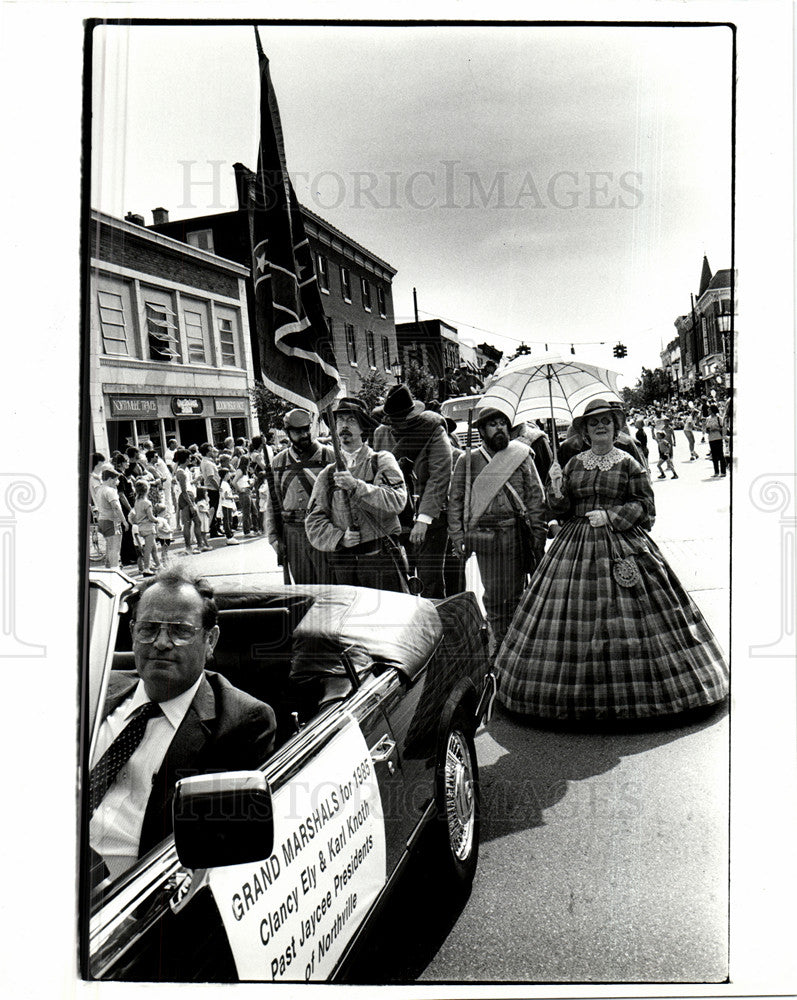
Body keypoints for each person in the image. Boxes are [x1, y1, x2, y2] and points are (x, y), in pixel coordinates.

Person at [494, 399, 729, 722]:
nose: (601, 426)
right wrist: (558, 490)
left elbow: (646, 507)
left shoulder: (628, 463)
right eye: (594, 423)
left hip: (622, 543)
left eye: (606, 421)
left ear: (616, 427)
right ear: (585, 431)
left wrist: (611, 516)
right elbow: (560, 510)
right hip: (574, 547)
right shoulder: (573, 464)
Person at [88, 569, 277, 881]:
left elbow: (221, 854)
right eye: (148, 629)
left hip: (128, 894)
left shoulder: (241, 723)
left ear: (210, 639)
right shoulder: (93, 690)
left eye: (180, 631)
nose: (161, 643)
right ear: (132, 632)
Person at [448, 407, 546, 650]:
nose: (500, 428)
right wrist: (457, 537)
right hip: (486, 536)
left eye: (503, 423)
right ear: (481, 431)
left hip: (516, 533)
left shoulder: (521, 454)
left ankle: (520, 645)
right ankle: (501, 644)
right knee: (494, 596)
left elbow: (535, 496)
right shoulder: (467, 460)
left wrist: (538, 533)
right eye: (493, 424)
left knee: (519, 592)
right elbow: (456, 499)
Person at [305, 397, 408, 591]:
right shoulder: (327, 474)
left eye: (351, 420)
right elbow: (313, 521)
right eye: (340, 420)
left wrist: (357, 486)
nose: (344, 425)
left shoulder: (381, 461)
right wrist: (338, 538)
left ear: (363, 427)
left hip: (381, 560)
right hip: (345, 566)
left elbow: (397, 500)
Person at [379, 384, 453, 599]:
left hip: (429, 519)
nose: (395, 425)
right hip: (395, 518)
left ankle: (436, 628)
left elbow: (439, 475)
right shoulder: (383, 433)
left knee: (430, 581)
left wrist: (424, 519)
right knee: (400, 581)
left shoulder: (433, 430)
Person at [265, 409, 334, 584]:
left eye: (306, 429)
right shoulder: (279, 462)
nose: (303, 435)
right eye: (297, 431)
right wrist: (273, 537)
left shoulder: (330, 456)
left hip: (324, 528)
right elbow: (272, 502)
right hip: (293, 533)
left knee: (330, 587)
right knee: (303, 589)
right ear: (288, 433)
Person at [174, 449, 208, 553]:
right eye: (189, 457)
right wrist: (191, 504)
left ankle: (199, 545)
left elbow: (187, 485)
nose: (190, 459)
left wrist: (195, 480)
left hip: (188, 496)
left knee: (196, 522)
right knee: (189, 523)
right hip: (186, 498)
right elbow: (184, 491)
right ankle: (189, 547)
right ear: (184, 458)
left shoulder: (185, 471)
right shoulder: (181, 473)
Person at [95, 468, 127, 568]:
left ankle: (109, 567)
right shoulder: (110, 491)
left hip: (102, 520)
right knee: (115, 548)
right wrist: (124, 521)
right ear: (109, 479)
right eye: (114, 480)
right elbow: (116, 506)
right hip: (111, 521)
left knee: (109, 546)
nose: (116, 482)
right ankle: (114, 569)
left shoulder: (99, 490)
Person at [131, 478, 160, 575]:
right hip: (148, 527)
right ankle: (146, 568)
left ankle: (158, 564)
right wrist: (157, 520)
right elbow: (150, 517)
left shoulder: (137, 502)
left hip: (141, 527)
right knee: (148, 550)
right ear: (147, 490)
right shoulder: (147, 503)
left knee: (153, 547)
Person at [199, 443, 222, 537]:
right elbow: (211, 478)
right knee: (213, 509)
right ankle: (213, 530)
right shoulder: (208, 463)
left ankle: (216, 528)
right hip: (212, 489)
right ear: (207, 452)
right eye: (211, 450)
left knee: (215, 509)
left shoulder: (207, 461)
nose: (213, 452)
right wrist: (218, 488)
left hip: (211, 488)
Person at [232, 455, 255, 537]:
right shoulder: (240, 471)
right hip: (244, 492)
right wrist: (240, 489)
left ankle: (252, 528)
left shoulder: (244, 471)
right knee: (246, 512)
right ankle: (247, 531)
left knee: (252, 511)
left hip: (247, 491)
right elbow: (234, 482)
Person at [705, 405, 727, 477]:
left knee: (720, 455)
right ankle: (716, 472)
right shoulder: (708, 419)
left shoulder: (719, 418)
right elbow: (706, 429)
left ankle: (723, 472)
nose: (708, 411)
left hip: (718, 437)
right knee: (714, 456)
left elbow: (723, 427)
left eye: (709, 410)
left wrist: (716, 429)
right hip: (711, 438)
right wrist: (708, 430)